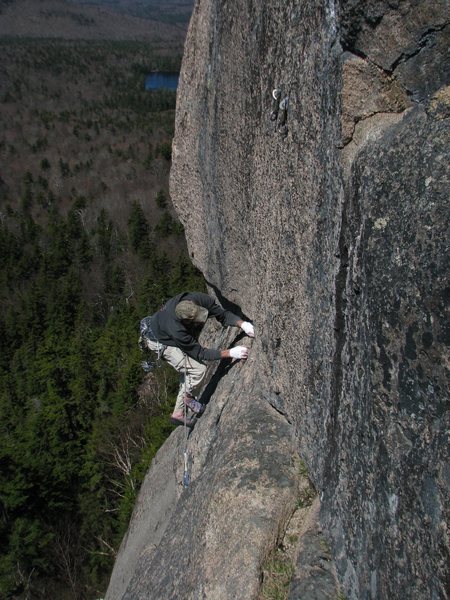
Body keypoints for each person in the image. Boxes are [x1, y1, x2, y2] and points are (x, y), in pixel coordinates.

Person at [140, 291, 254, 426]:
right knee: (197, 369)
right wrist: (230, 353)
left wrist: (243, 324)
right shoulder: (178, 331)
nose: (202, 320)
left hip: (162, 326)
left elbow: (222, 315)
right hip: (159, 340)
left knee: (190, 369)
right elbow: (200, 353)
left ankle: (178, 413)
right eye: (196, 319)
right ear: (186, 320)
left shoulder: (200, 299)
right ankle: (187, 399)